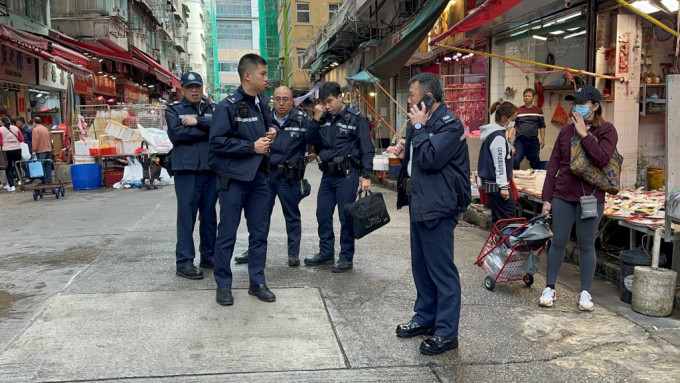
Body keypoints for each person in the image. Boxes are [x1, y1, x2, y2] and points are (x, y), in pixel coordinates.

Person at [393, 72, 471, 356]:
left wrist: (419, 129)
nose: (408, 101)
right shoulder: (421, 124)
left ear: (427, 98)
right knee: (421, 267)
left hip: (439, 206)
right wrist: (405, 149)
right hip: (420, 203)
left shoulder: (450, 125)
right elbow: (417, 157)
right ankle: (425, 318)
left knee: (441, 270)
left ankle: (447, 332)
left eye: (412, 96)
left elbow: (430, 158)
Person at [539, 85, 617, 312]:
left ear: (594, 106)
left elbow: (602, 159)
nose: (576, 107)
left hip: (591, 197)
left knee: (586, 244)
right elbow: (553, 165)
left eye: (582, 104)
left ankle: (585, 292)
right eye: (575, 103)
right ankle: (550, 287)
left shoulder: (607, 131)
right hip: (563, 194)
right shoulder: (565, 132)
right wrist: (547, 198)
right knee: (558, 241)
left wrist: (584, 135)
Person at [209, 53, 278, 305]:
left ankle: (257, 282)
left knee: (259, 233)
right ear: (247, 75)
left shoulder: (262, 102)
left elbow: (269, 127)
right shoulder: (226, 106)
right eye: (262, 74)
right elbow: (216, 143)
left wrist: (272, 131)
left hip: (259, 178)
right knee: (227, 233)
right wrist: (251, 147)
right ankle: (224, 285)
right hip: (234, 180)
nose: (266, 79)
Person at [234, 86, 311, 267]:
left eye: (286, 99)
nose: (281, 103)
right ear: (272, 101)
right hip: (266, 175)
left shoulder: (301, 120)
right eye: (277, 99)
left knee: (292, 216)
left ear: (292, 101)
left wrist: (314, 152)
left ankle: (293, 253)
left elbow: (316, 137)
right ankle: (254, 250)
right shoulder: (263, 119)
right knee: (259, 216)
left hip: (289, 176)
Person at [304, 82, 374, 273]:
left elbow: (367, 148)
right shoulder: (323, 118)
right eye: (322, 102)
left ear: (340, 97)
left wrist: (366, 175)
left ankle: (345, 257)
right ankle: (326, 253)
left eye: (329, 101)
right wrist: (316, 119)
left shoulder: (355, 119)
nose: (326, 106)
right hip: (328, 175)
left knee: (346, 217)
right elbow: (310, 139)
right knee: (323, 214)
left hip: (347, 175)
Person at [165, 72, 217, 280]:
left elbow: (221, 131)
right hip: (186, 171)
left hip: (210, 169)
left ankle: (209, 256)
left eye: (198, 86)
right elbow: (177, 135)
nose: (195, 90)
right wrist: (206, 128)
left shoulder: (212, 108)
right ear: (183, 89)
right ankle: (184, 262)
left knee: (209, 216)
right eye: (190, 87)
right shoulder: (174, 109)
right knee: (187, 217)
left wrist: (196, 122)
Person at [478, 100, 518, 223]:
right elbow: (499, 164)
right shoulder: (498, 137)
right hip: (498, 187)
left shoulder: (494, 135)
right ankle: (505, 241)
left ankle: (498, 241)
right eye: (513, 119)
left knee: (499, 220)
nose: (513, 123)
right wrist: (504, 187)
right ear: (505, 119)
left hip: (493, 186)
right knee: (508, 219)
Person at [509, 88, 545, 170]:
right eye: (525, 96)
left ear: (533, 97)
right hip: (520, 140)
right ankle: (514, 179)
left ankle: (535, 179)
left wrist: (542, 139)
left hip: (533, 140)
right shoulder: (518, 110)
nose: (527, 98)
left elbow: (542, 125)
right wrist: (509, 136)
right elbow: (513, 125)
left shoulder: (538, 110)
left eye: (529, 96)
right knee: (516, 160)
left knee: (535, 161)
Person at [0, 116, 24, 191]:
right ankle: (20, 181)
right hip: (17, 149)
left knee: (9, 167)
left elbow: (0, 142)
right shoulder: (16, 128)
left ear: (2, 122)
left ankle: (12, 186)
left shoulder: (0, 129)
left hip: (7, 150)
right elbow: (21, 139)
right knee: (17, 165)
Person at [31, 117, 53, 184]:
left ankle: (45, 180)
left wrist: (34, 150)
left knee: (41, 166)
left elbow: (35, 141)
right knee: (48, 166)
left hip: (40, 151)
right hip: (48, 149)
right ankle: (49, 180)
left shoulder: (35, 130)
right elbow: (50, 138)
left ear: (34, 122)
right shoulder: (46, 129)